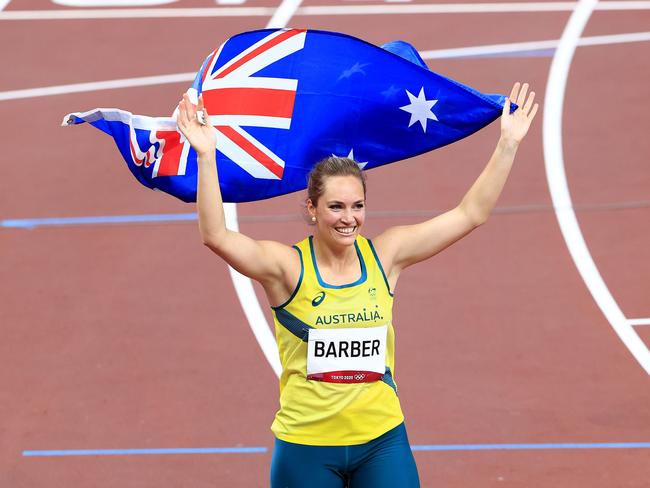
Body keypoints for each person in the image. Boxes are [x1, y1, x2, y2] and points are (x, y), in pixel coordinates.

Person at [176, 82, 538, 487]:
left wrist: (507, 143)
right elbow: (217, 236)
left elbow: (470, 214)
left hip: (381, 442)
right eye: (335, 207)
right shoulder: (287, 269)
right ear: (312, 210)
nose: (348, 218)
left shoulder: (386, 256)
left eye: (357, 206)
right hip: (307, 448)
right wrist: (206, 155)